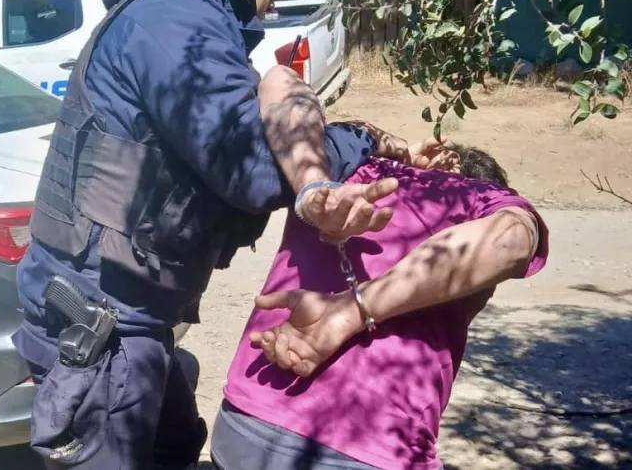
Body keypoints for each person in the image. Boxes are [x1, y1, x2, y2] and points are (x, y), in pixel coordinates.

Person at [8, 0, 438, 470]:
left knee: (178, 447)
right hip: (103, 328)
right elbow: (253, 169)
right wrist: (357, 140)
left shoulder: (171, 12)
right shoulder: (176, 20)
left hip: (123, 316)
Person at [211, 134, 551, 470]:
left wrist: (392, 146)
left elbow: (321, 124)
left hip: (243, 424)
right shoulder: (484, 199)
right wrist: (351, 311)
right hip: (369, 452)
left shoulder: (349, 166)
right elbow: (513, 242)